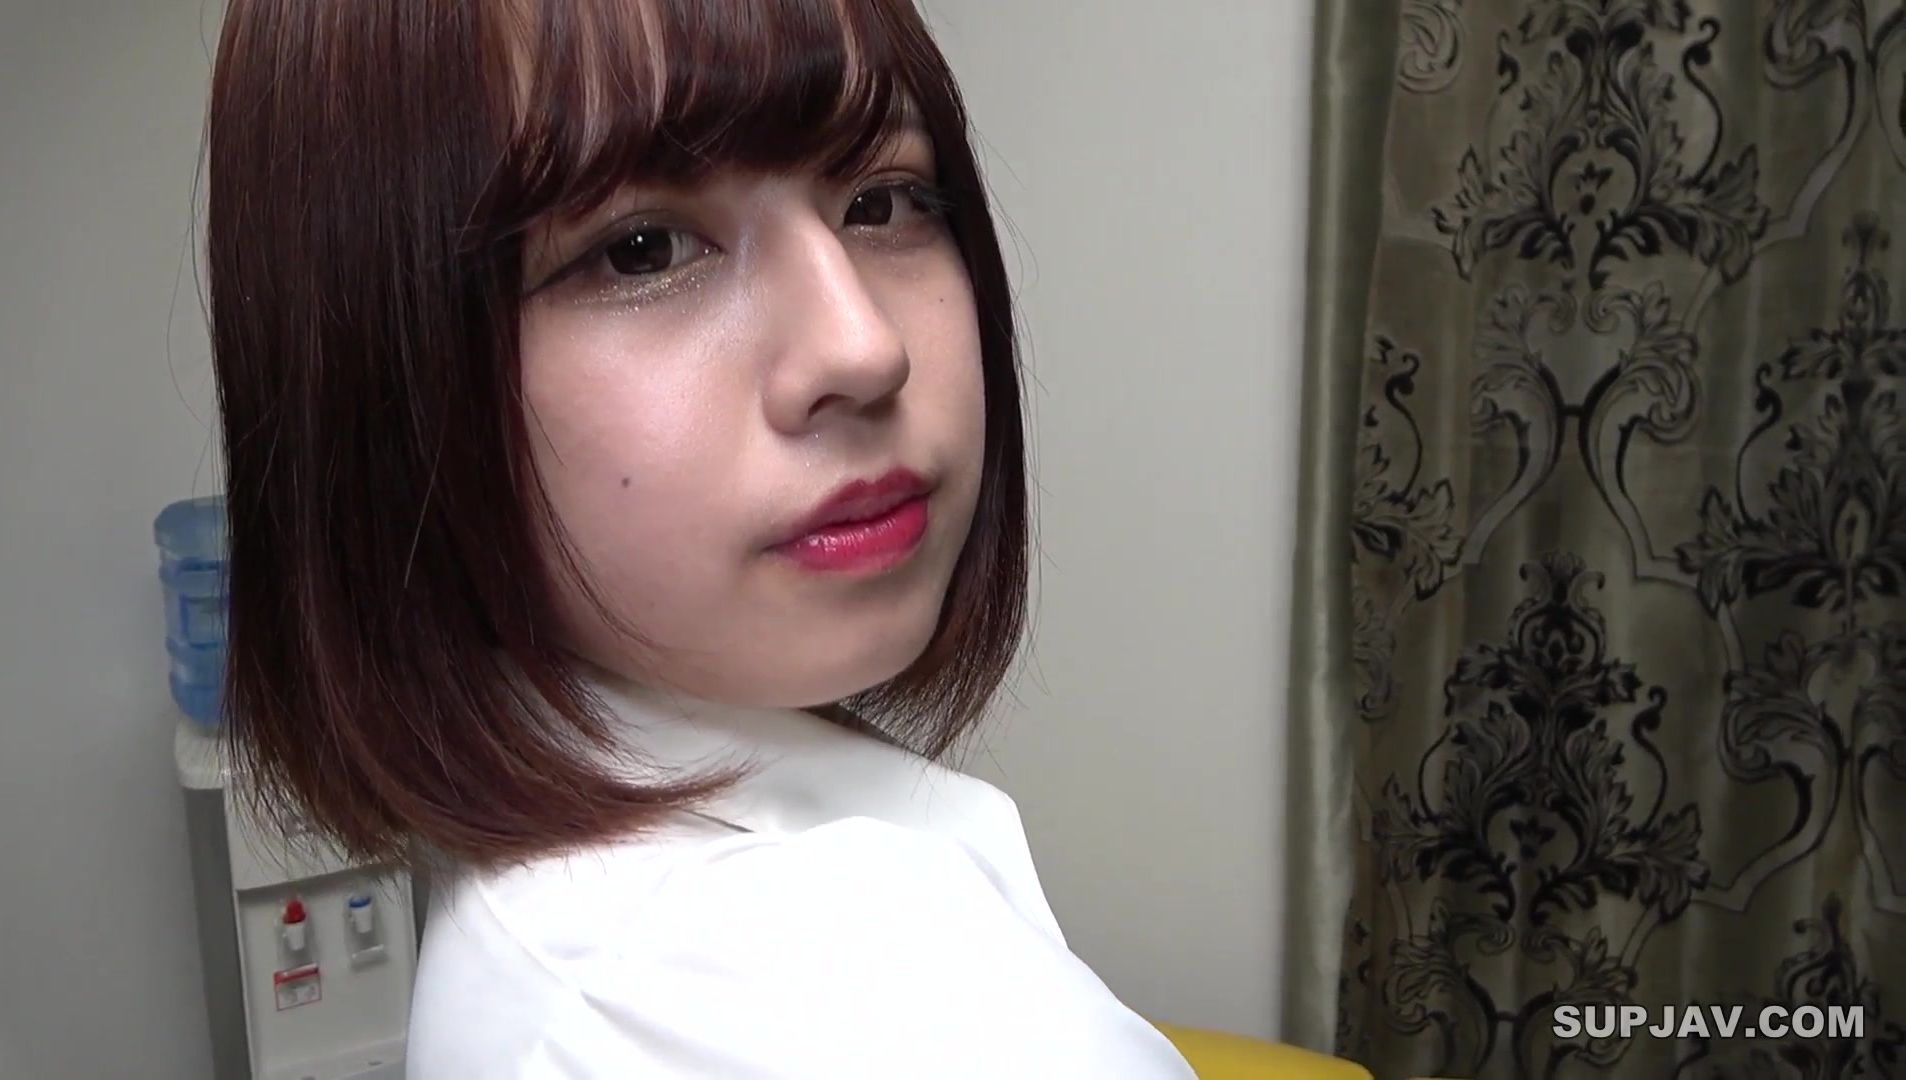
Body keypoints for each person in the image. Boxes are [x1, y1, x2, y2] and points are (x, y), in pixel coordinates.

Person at [204, 0, 1196, 1076]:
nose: (863, 349)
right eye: (641, 251)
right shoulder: (735, 995)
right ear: (386, 395)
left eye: (882, 201)